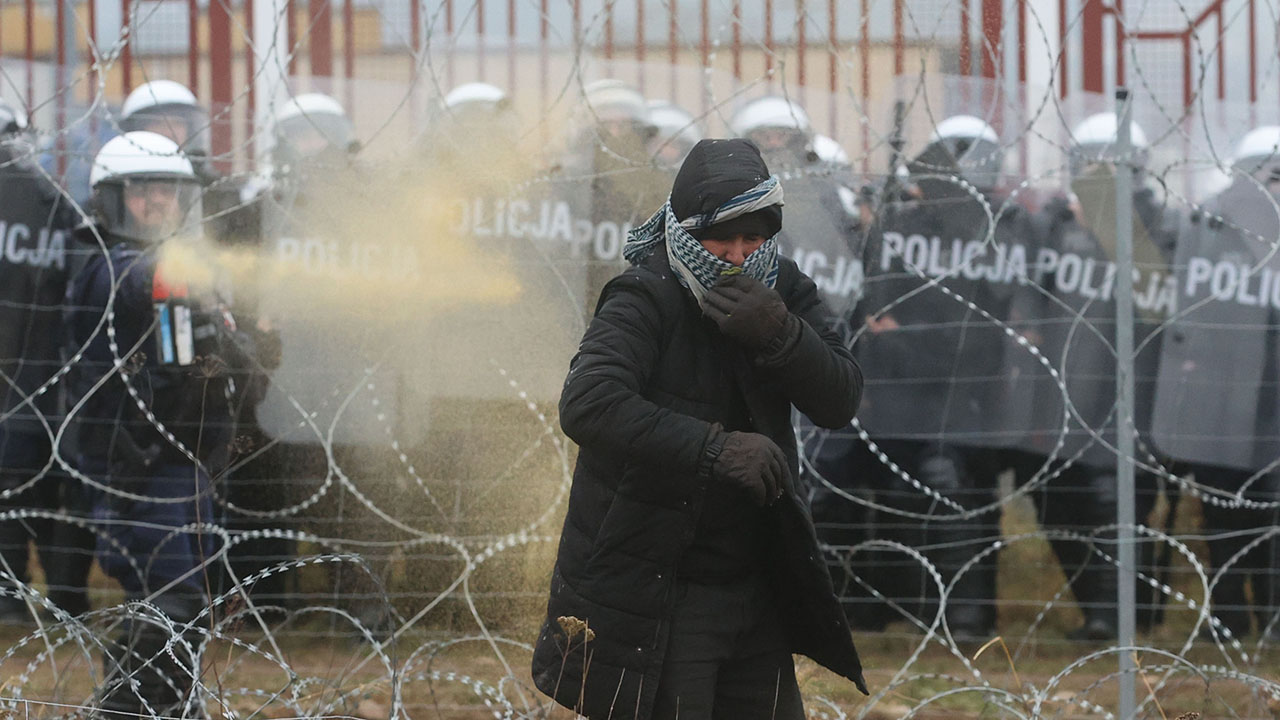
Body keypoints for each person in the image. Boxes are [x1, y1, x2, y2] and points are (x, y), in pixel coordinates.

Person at [531, 138, 867, 719]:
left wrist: (780, 335)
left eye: (753, 238)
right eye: (721, 239)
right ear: (685, 231)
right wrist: (714, 448)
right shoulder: (646, 294)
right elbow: (588, 401)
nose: (737, 257)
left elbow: (840, 397)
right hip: (662, 588)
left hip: (756, 582)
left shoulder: (781, 288)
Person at [67, 130, 252, 716]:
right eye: (143, 190)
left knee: (173, 601)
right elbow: (135, 288)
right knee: (173, 600)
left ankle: (157, 704)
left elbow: (215, 356)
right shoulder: (109, 265)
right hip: (139, 464)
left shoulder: (175, 268)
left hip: (182, 461)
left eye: (170, 190)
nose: (159, 202)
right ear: (112, 199)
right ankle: (140, 708)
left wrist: (238, 341)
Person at [854, 113, 1030, 641]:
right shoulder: (902, 225)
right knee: (904, 495)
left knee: (956, 491)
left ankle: (967, 619)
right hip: (904, 394)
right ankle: (924, 611)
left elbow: (978, 332)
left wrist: (903, 338)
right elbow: (876, 310)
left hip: (970, 395)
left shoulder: (1005, 229)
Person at [1011, 111, 1176, 640]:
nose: (1101, 171)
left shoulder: (1159, 223)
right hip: (1061, 385)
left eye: (1113, 161)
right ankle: (1107, 603)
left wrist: (1108, 224)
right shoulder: (1056, 222)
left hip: (1132, 389)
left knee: (1118, 497)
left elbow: (1157, 300)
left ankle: (1117, 615)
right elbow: (1025, 286)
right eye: (1092, 161)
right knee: (1053, 494)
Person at [1150, 125, 1280, 640]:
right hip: (1220, 393)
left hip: (1271, 394)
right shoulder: (1209, 224)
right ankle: (1229, 613)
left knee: (1271, 507)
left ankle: (1271, 613)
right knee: (1222, 505)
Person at [0, 99, 95, 621]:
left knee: (11, 491)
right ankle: (68, 600)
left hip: (16, 377)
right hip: (56, 380)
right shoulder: (53, 201)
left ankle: (9, 594)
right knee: (62, 494)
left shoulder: (46, 201)